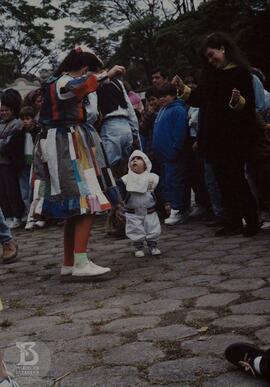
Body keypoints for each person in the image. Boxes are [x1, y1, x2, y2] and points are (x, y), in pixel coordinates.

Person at [31, 47, 124, 278]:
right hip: (67, 145)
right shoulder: (64, 82)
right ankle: (80, 262)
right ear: (84, 69)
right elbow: (78, 86)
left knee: (75, 206)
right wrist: (106, 75)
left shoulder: (56, 81)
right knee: (85, 200)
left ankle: (70, 261)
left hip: (66, 141)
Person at [173, 32, 259, 237]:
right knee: (222, 181)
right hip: (213, 137)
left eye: (213, 55)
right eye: (208, 58)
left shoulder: (241, 74)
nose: (211, 61)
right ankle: (233, 221)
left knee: (237, 179)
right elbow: (199, 98)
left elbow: (248, 108)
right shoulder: (210, 75)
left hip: (234, 137)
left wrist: (237, 102)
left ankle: (252, 221)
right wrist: (183, 89)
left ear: (223, 48)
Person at [152, 83, 190, 225]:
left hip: (173, 155)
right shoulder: (163, 109)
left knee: (176, 182)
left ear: (173, 95)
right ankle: (174, 208)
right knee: (168, 183)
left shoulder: (178, 110)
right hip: (163, 157)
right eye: (160, 96)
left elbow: (180, 133)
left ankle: (178, 210)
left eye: (165, 96)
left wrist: (174, 150)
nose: (162, 99)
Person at [117, 150, 161, 257]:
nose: (135, 160)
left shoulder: (152, 178)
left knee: (153, 228)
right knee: (135, 229)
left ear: (146, 164)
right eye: (132, 159)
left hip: (149, 210)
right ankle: (138, 247)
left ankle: (153, 246)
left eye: (139, 158)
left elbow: (160, 192)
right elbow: (120, 193)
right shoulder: (125, 180)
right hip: (133, 211)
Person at [0, 91, 25, 229]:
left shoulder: (17, 124)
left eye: (6, 110)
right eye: (2, 110)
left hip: (9, 163)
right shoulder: (1, 124)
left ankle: (17, 216)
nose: (3, 113)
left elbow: (8, 145)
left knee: (12, 191)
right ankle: (7, 215)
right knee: (2, 192)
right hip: (1, 163)